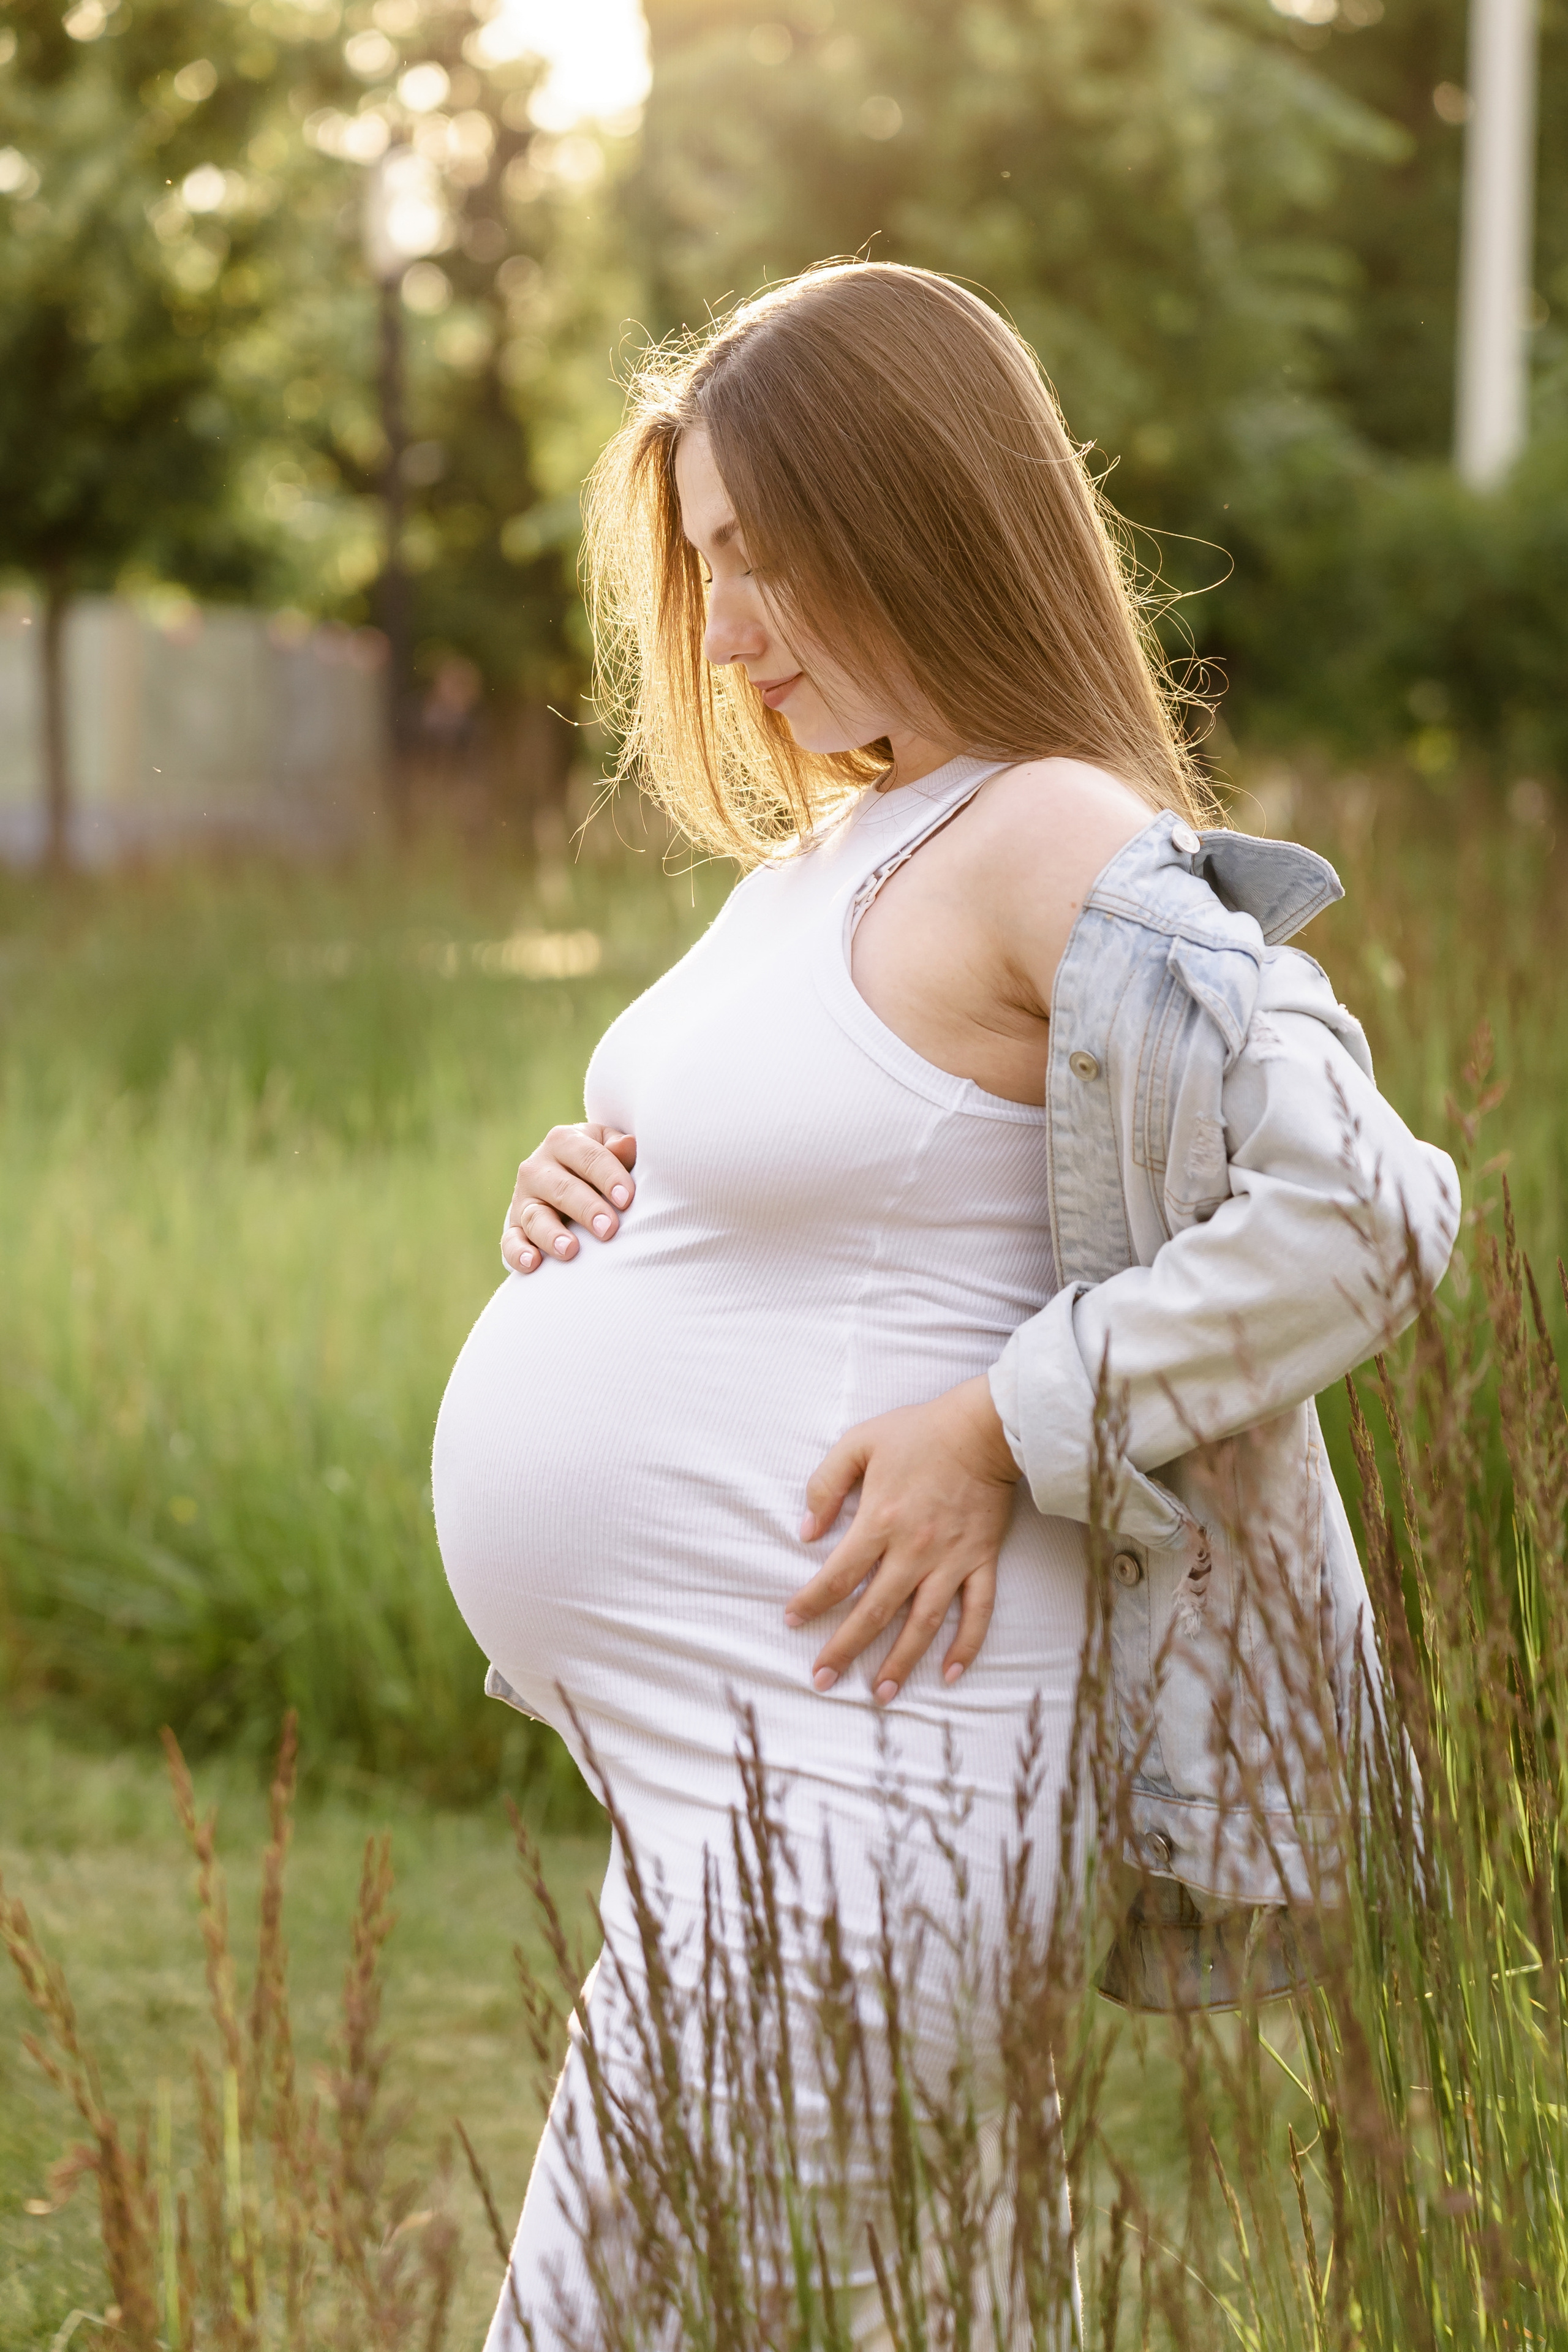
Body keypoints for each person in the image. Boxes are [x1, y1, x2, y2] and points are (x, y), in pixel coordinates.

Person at [431, 261, 1458, 2348]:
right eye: (708, 568)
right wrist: (580, 1183)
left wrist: (1009, 1424)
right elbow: (816, 1188)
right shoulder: (832, 857)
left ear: (925, 516)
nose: (727, 635)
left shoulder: (1050, 829)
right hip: (727, 1798)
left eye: (773, 563)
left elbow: (1368, 1201)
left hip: (865, 1781)